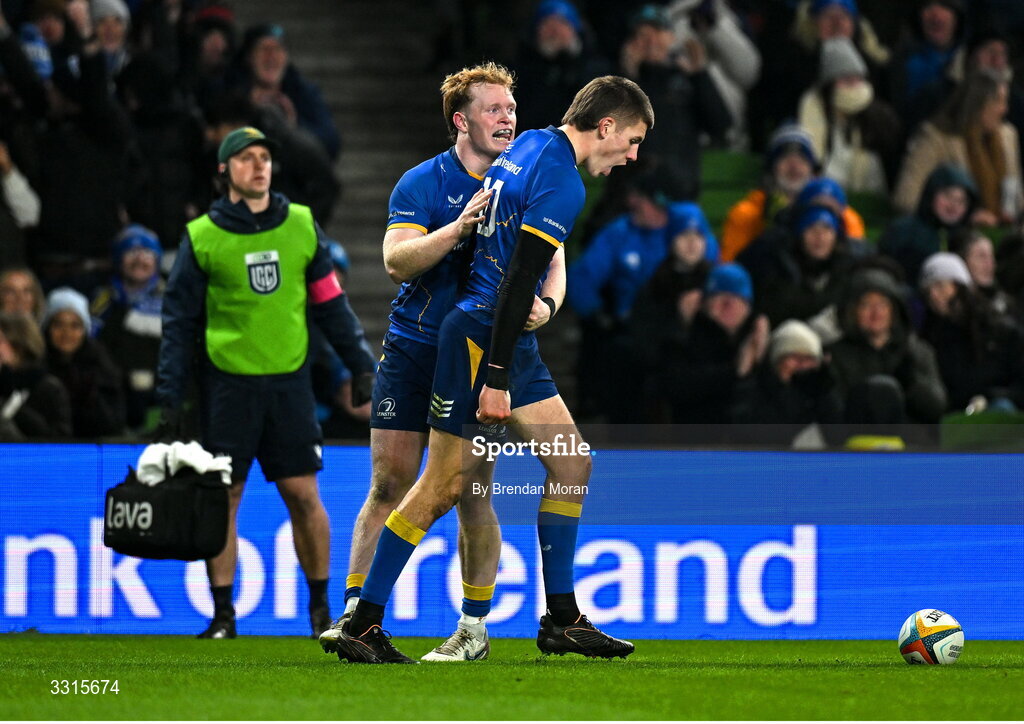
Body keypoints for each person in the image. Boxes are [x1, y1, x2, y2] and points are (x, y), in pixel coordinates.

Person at [329, 76, 653, 664]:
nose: (633, 155)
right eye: (631, 140)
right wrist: (496, 377)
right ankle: (363, 621)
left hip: (492, 336)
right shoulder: (560, 179)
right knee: (447, 485)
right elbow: (519, 279)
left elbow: (526, 272)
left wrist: (534, 320)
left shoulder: (530, 144)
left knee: (571, 461)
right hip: (481, 340)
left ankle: (562, 618)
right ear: (605, 127)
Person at [321, 62, 565, 662]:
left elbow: (553, 256)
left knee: (473, 489)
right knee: (388, 482)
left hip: (482, 354)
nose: (507, 118)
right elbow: (397, 262)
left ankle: (472, 630)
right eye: (493, 109)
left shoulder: (528, 179)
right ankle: (357, 615)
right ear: (462, 120)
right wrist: (459, 228)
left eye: (511, 108)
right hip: (414, 347)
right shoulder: (422, 183)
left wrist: (549, 305)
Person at [156, 126, 376, 639]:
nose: (259, 166)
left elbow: (330, 302)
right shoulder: (202, 236)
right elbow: (178, 325)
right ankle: (223, 616)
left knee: (303, 495)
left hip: (288, 386)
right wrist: (169, 398)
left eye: (265, 158)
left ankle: (323, 611)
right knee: (224, 498)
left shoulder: (300, 224)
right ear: (224, 172)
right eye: (247, 158)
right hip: (227, 387)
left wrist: (360, 364)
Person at [720, 122, 866, 263]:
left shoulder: (844, 216)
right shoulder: (746, 214)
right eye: (785, 158)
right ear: (771, 169)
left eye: (802, 158)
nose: (794, 166)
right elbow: (731, 271)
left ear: (813, 170)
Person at [893, 70, 1022, 224]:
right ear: (977, 104)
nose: (1004, 109)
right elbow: (905, 198)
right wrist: (965, 217)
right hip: (954, 236)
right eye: (998, 101)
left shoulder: (1008, 136)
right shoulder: (935, 138)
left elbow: (1016, 193)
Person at [916, 251, 1024, 412]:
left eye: (940, 286)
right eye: (928, 290)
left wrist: (992, 397)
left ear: (960, 286)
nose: (933, 295)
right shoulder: (929, 339)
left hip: (998, 411)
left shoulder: (1001, 330)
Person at [798, 36, 902, 193]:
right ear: (830, 84)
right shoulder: (813, 107)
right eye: (846, 79)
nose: (854, 86)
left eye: (858, 78)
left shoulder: (880, 118)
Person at [90, 224, 166, 431]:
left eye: (147, 253)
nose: (139, 260)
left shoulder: (173, 298)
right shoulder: (102, 299)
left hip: (160, 397)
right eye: (131, 252)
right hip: (114, 394)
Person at [43, 286, 125, 437]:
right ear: (47, 328)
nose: (66, 333)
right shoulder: (35, 367)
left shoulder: (103, 368)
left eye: (75, 325)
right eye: (58, 324)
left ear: (85, 330)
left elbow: (113, 423)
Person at [879, 162, 977, 284]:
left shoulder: (966, 239)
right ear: (931, 194)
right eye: (947, 196)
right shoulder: (902, 231)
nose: (953, 206)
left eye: (961, 201)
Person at [0, 310, 71, 440]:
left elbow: (60, 442)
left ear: (20, 344)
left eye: (1, 341)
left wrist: (17, 410)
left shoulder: (49, 388)